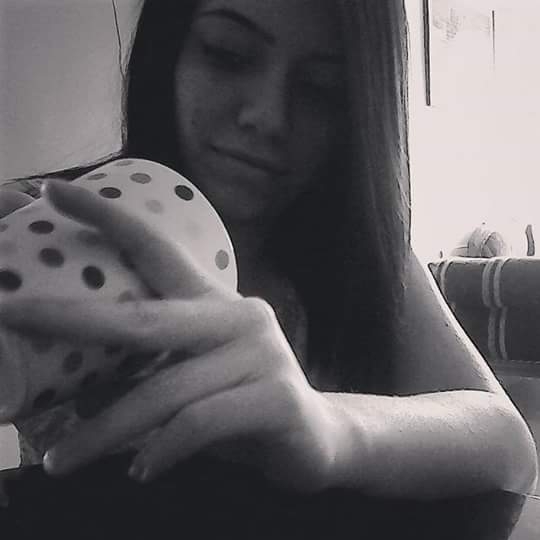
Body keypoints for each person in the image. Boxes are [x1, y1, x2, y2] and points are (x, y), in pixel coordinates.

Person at [0, 0, 537, 502]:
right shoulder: (49, 220)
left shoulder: (356, 255)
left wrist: (329, 426)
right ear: (170, 49)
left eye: (321, 88)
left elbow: (509, 448)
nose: (268, 116)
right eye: (228, 55)